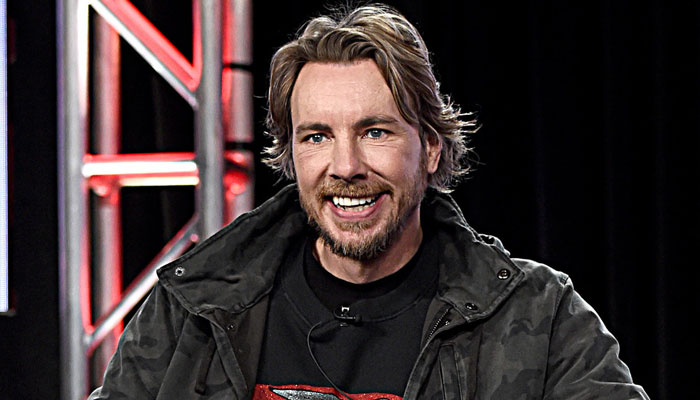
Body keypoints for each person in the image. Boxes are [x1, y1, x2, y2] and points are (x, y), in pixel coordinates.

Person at [90, 4, 648, 399]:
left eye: (375, 132)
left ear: (430, 148)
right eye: (316, 137)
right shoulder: (191, 306)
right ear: (292, 155)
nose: (346, 166)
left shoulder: (537, 315)